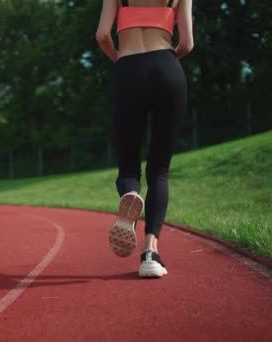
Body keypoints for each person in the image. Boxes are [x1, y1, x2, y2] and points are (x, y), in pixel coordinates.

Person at [95, 0, 193, 277]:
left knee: (128, 166)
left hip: (128, 70)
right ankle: (150, 254)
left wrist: (119, 58)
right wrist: (165, 62)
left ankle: (130, 195)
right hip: (167, 68)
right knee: (159, 170)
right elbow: (187, 43)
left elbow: (102, 35)